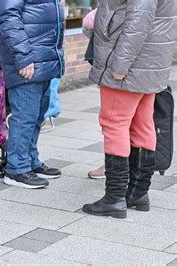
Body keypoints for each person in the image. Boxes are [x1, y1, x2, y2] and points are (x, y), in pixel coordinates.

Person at [83, 0, 176, 219]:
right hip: (149, 63)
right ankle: (137, 193)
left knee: (114, 123)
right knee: (142, 124)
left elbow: (137, 23)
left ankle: (114, 198)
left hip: (129, 65)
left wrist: (119, 66)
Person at [0, 0, 65, 189]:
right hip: (28, 62)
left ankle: (30, 161)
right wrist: (23, 57)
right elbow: (8, 18)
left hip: (43, 60)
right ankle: (16, 169)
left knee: (36, 117)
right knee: (25, 117)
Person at [82, 8, 106, 180]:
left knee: (115, 123)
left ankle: (112, 168)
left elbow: (89, 21)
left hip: (120, 71)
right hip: (151, 69)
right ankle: (136, 178)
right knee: (141, 124)